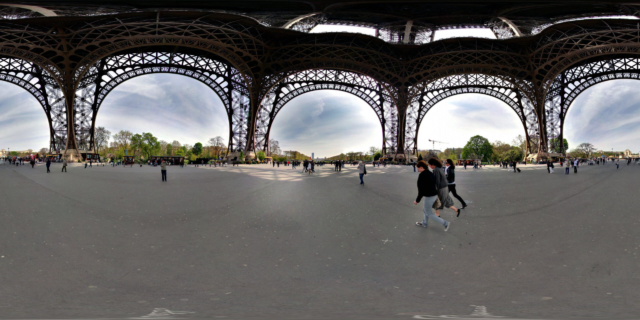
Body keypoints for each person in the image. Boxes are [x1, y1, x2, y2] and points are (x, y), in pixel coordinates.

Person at [414, 160, 450, 231]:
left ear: (421, 167)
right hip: (434, 195)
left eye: (418, 168)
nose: (418, 170)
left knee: (429, 213)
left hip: (429, 196)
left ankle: (445, 223)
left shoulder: (421, 175)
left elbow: (420, 190)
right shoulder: (430, 173)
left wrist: (417, 200)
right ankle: (424, 223)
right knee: (425, 210)